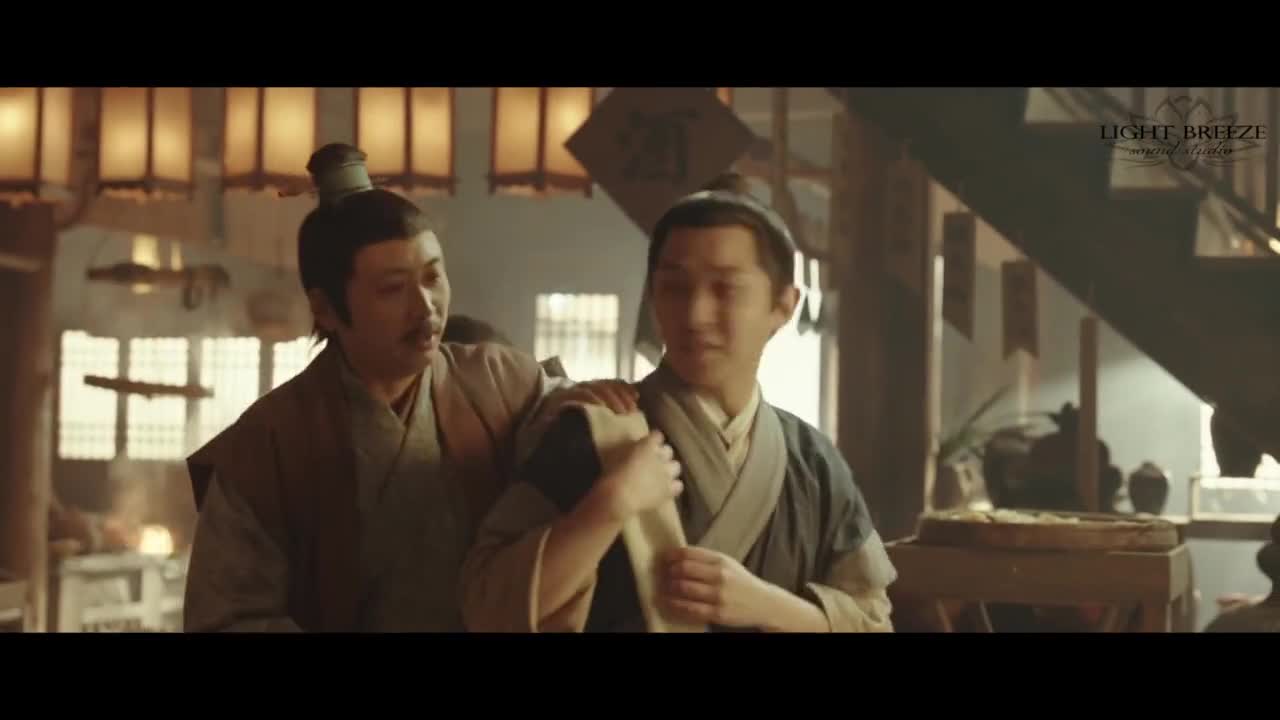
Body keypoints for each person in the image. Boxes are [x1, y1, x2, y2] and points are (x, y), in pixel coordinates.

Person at [182, 143, 634, 632]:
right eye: (393, 289)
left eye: (433, 277)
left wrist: (588, 413)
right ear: (326, 309)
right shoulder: (268, 445)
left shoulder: (500, 383)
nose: (426, 307)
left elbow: (573, 436)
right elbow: (226, 619)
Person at [459, 173, 897, 633]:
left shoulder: (814, 463)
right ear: (652, 296)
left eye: (725, 289)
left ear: (783, 306)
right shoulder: (593, 434)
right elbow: (486, 605)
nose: (695, 314)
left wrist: (768, 606)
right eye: (675, 287)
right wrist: (608, 505)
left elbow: (872, 618)